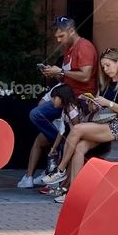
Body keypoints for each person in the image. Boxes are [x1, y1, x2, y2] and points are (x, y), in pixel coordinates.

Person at [41, 48, 118, 204]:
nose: (105, 69)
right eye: (103, 67)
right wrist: (94, 105)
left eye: (108, 65)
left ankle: (60, 170)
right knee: (80, 147)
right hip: (103, 122)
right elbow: (104, 109)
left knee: (77, 129)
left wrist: (108, 103)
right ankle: (74, 192)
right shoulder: (107, 85)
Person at [18, 16, 98, 188]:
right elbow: (68, 76)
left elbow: (85, 75)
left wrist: (61, 71)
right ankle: (59, 144)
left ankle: (61, 147)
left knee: (38, 115)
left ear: (71, 31)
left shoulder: (84, 47)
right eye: (56, 37)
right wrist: (56, 74)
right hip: (65, 96)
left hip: (78, 99)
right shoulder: (69, 49)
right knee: (38, 114)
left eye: (61, 36)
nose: (59, 40)